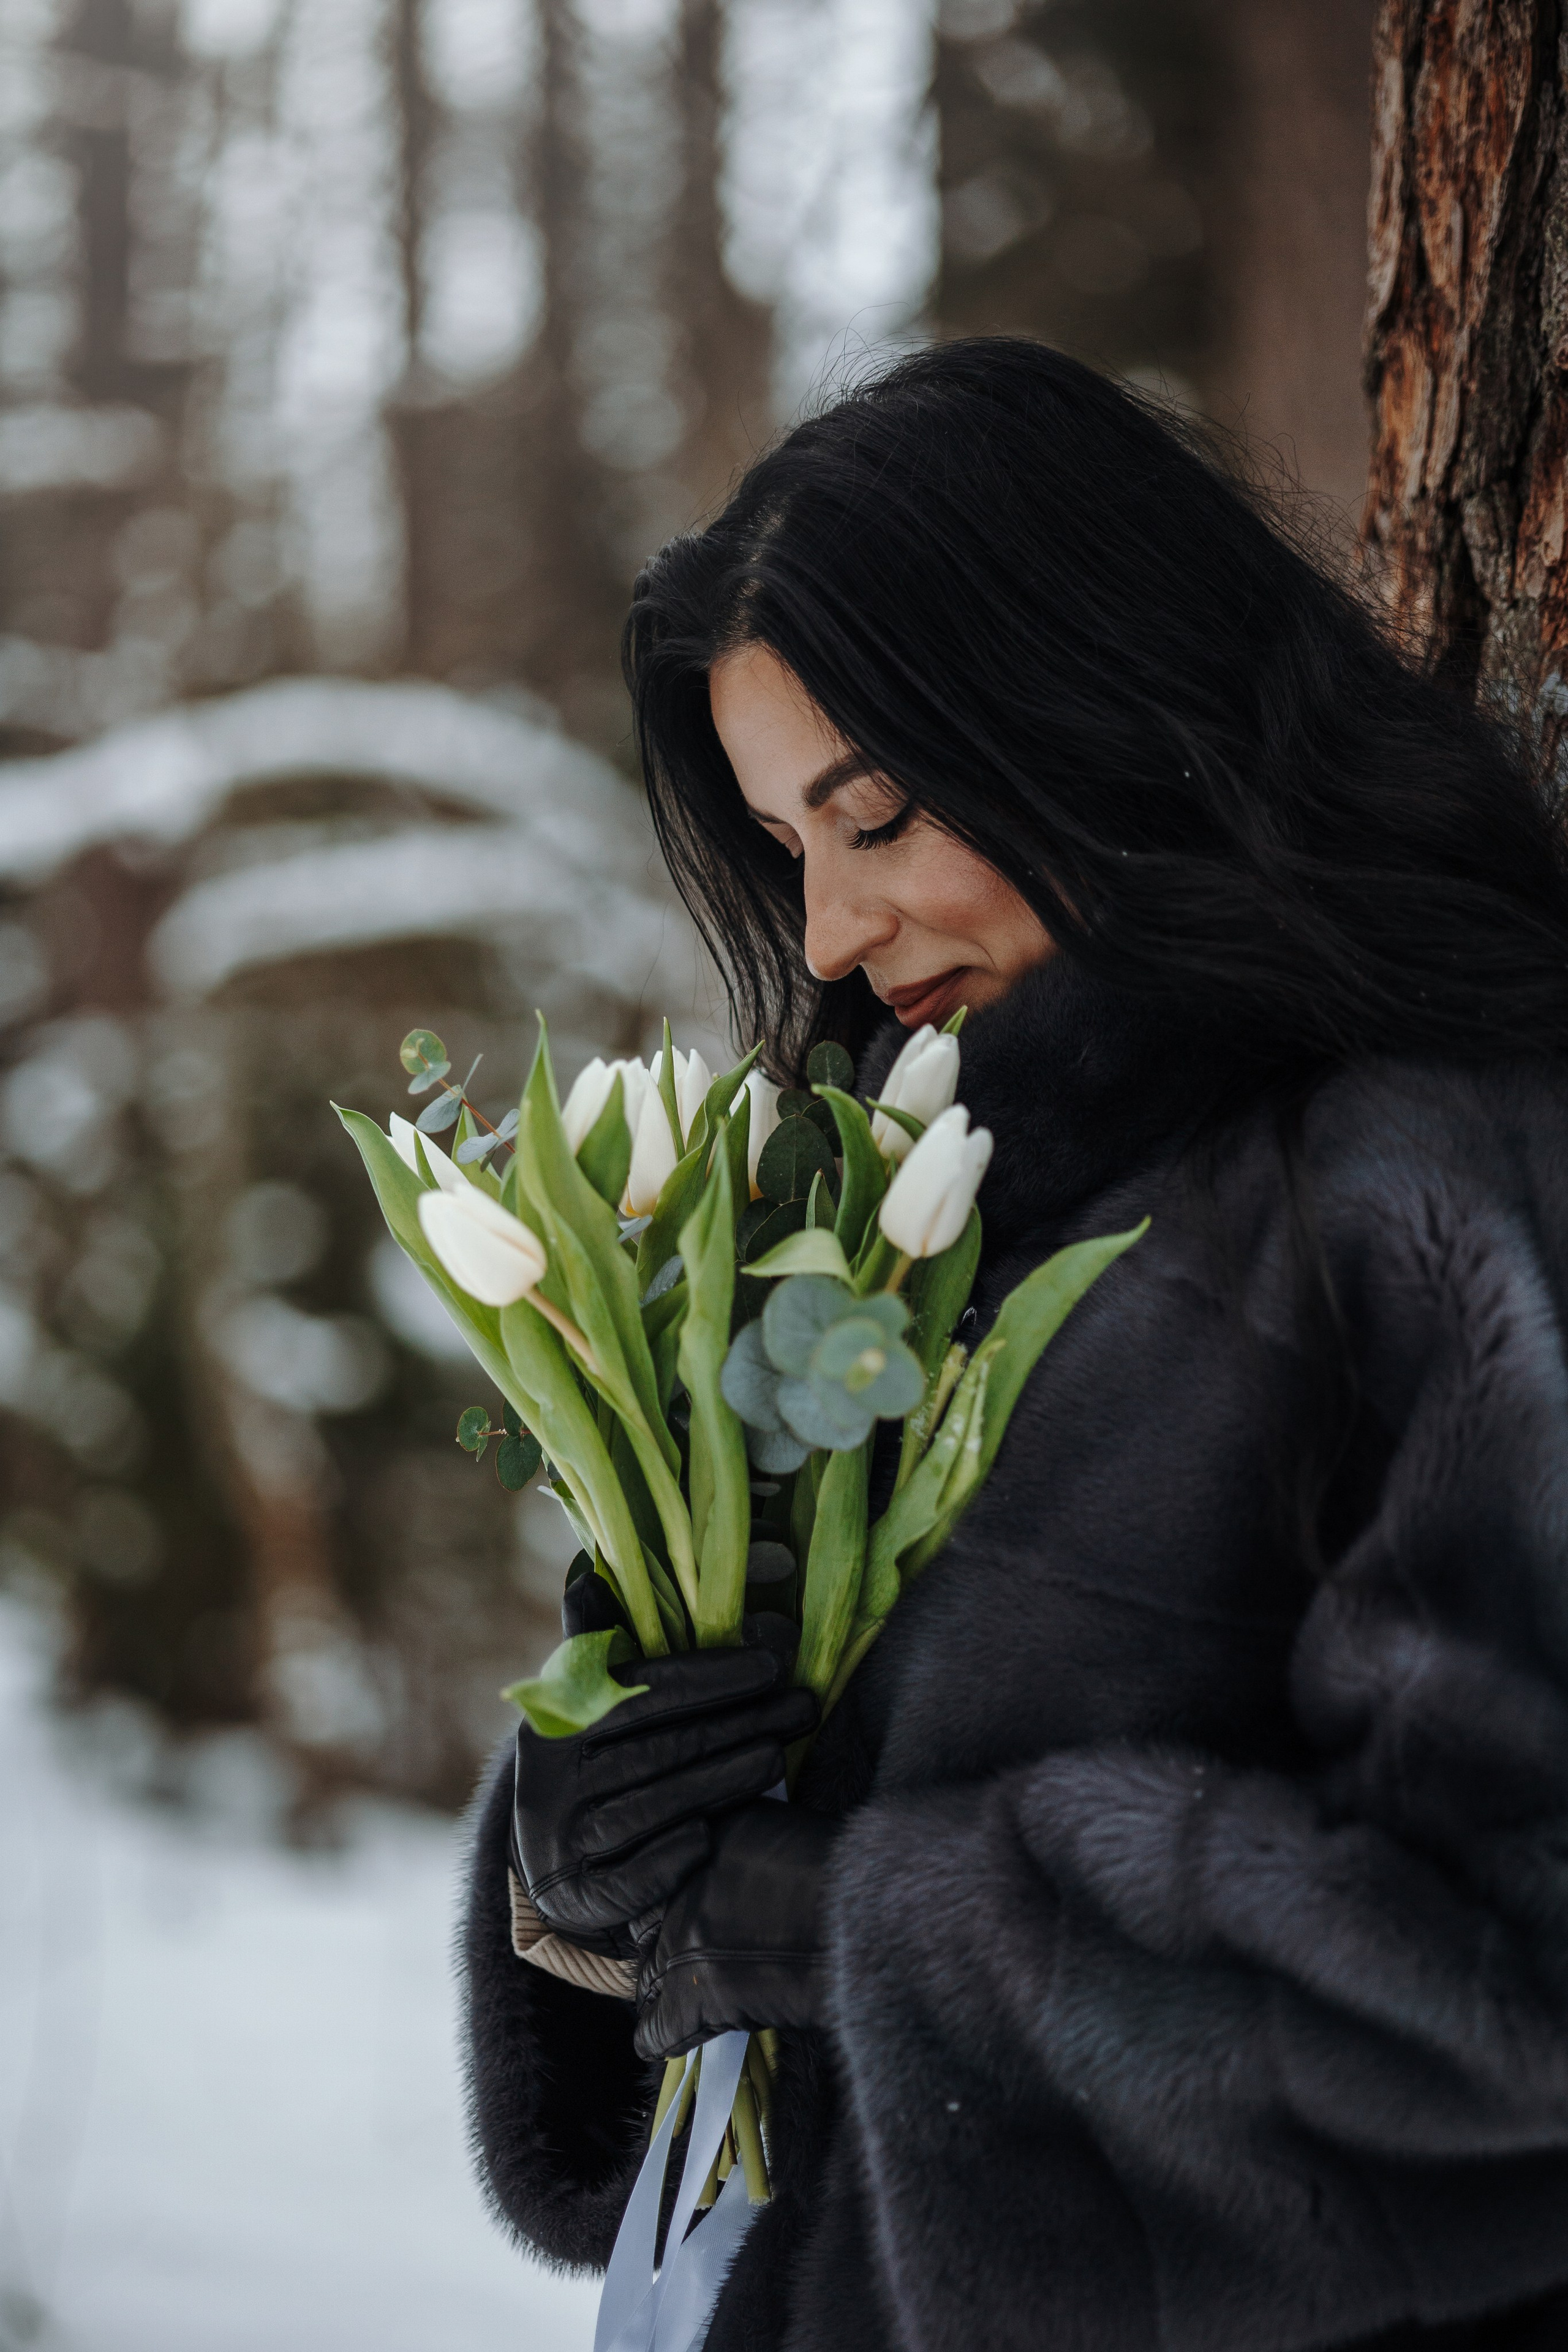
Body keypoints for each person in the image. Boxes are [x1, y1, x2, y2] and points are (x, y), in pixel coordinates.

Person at [462, 338, 1568, 2350]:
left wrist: (845, 1922)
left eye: (874, 817)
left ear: (1090, 704)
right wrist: (594, 1885)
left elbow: (1505, 1981)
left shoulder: (1426, 1187)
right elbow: (721, 2089)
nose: (822, 940)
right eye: (789, 849)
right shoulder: (888, 1231)